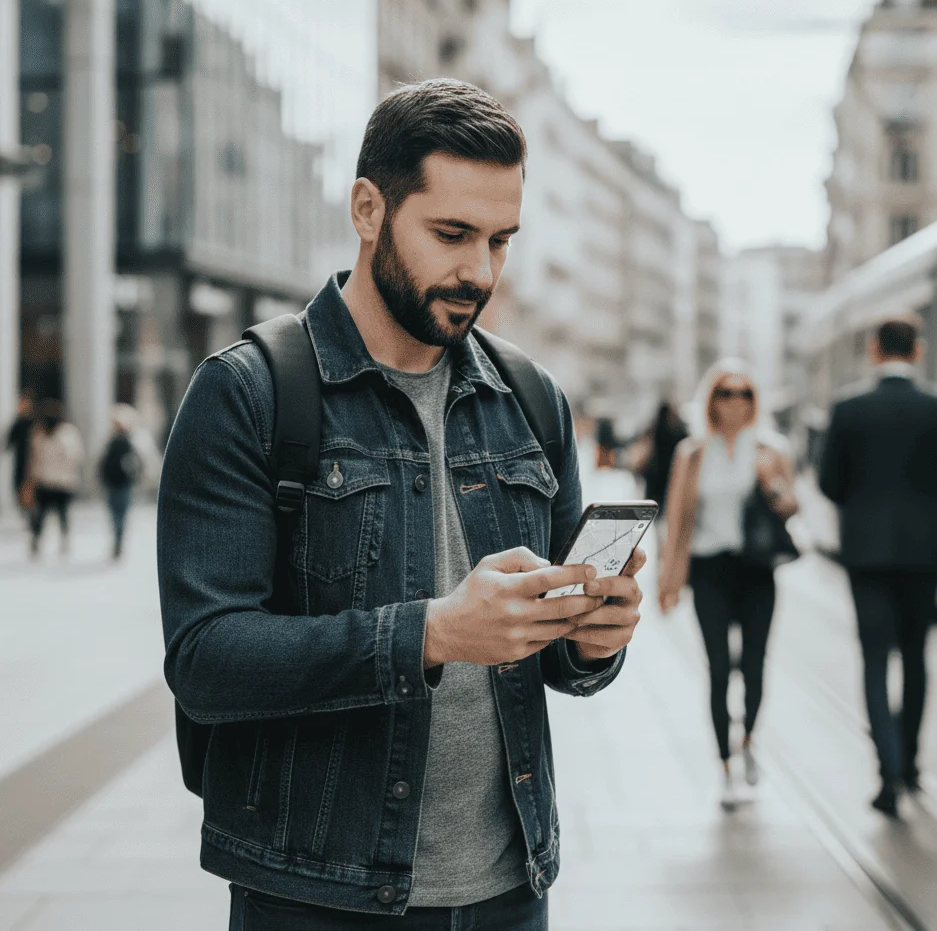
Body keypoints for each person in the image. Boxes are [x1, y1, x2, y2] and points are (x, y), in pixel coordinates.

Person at [158, 79, 644, 930]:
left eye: (500, 240)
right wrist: (433, 632)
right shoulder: (248, 392)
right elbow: (206, 660)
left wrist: (592, 641)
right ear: (368, 209)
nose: (479, 271)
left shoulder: (531, 398)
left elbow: (556, 660)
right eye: (451, 234)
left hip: (509, 889)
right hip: (316, 897)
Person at [658, 361, 797, 807]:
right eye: (725, 393)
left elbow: (791, 508)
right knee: (719, 669)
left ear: (754, 402)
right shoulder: (692, 453)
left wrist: (771, 483)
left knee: (754, 665)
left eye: (744, 393)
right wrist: (668, 581)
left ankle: (749, 740)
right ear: (711, 400)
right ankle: (724, 766)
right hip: (709, 571)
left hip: (756, 571)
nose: (735, 402)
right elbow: (676, 520)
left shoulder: (771, 449)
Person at [819, 315, 937, 817]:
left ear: (874, 350)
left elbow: (829, 482)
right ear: (918, 350)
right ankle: (910, 764)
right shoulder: (934, 408)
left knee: (873, 659)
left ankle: (886, 771)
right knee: (915, 657)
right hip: (924, 556)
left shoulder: (849, 409)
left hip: (866, 553)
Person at [27, 399, 84, 557]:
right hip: (46, 481)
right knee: (42, 515)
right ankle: (39, 540)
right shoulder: (40, 432)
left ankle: (62, 540)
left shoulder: (66, 433)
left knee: (60, 514)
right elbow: (34, 457)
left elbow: (75, 456)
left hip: (61, 482)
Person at [99, 404, 142, 559]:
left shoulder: (116, 443)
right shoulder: (127, 443)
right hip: (122, 484)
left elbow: (103, 464)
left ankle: (118, 541)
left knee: (116, 514)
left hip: (116, 484)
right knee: (120, 514)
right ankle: (118, 540)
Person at [5, 389, 35, 515]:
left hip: (33, 459)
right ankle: (24, 509)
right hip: (20, 459)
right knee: (18, 484)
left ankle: (30, 510)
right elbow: (9, 441)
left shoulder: (34, 422)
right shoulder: (17, 423)